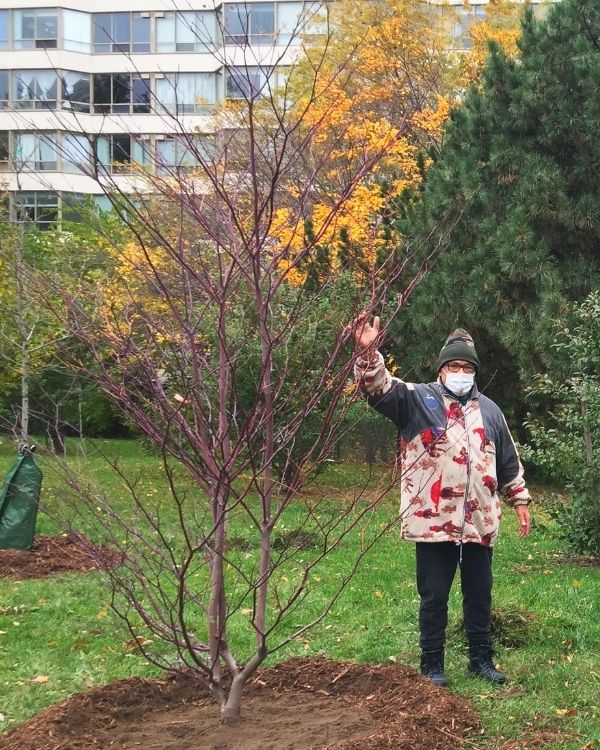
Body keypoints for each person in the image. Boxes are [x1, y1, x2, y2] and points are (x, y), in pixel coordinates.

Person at [352, 317, 532, 686]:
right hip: (433, 522)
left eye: (468, 367)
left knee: (479, 596)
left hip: (480, 522)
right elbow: (375, 387)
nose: (461, 372)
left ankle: (481, 660)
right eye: (454, 365)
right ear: (442, 369)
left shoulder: (491, 411)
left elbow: (507, 461)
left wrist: (520, 499)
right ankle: (431, 665)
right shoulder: (417, 400)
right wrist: (368, 352)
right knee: (434, 597)